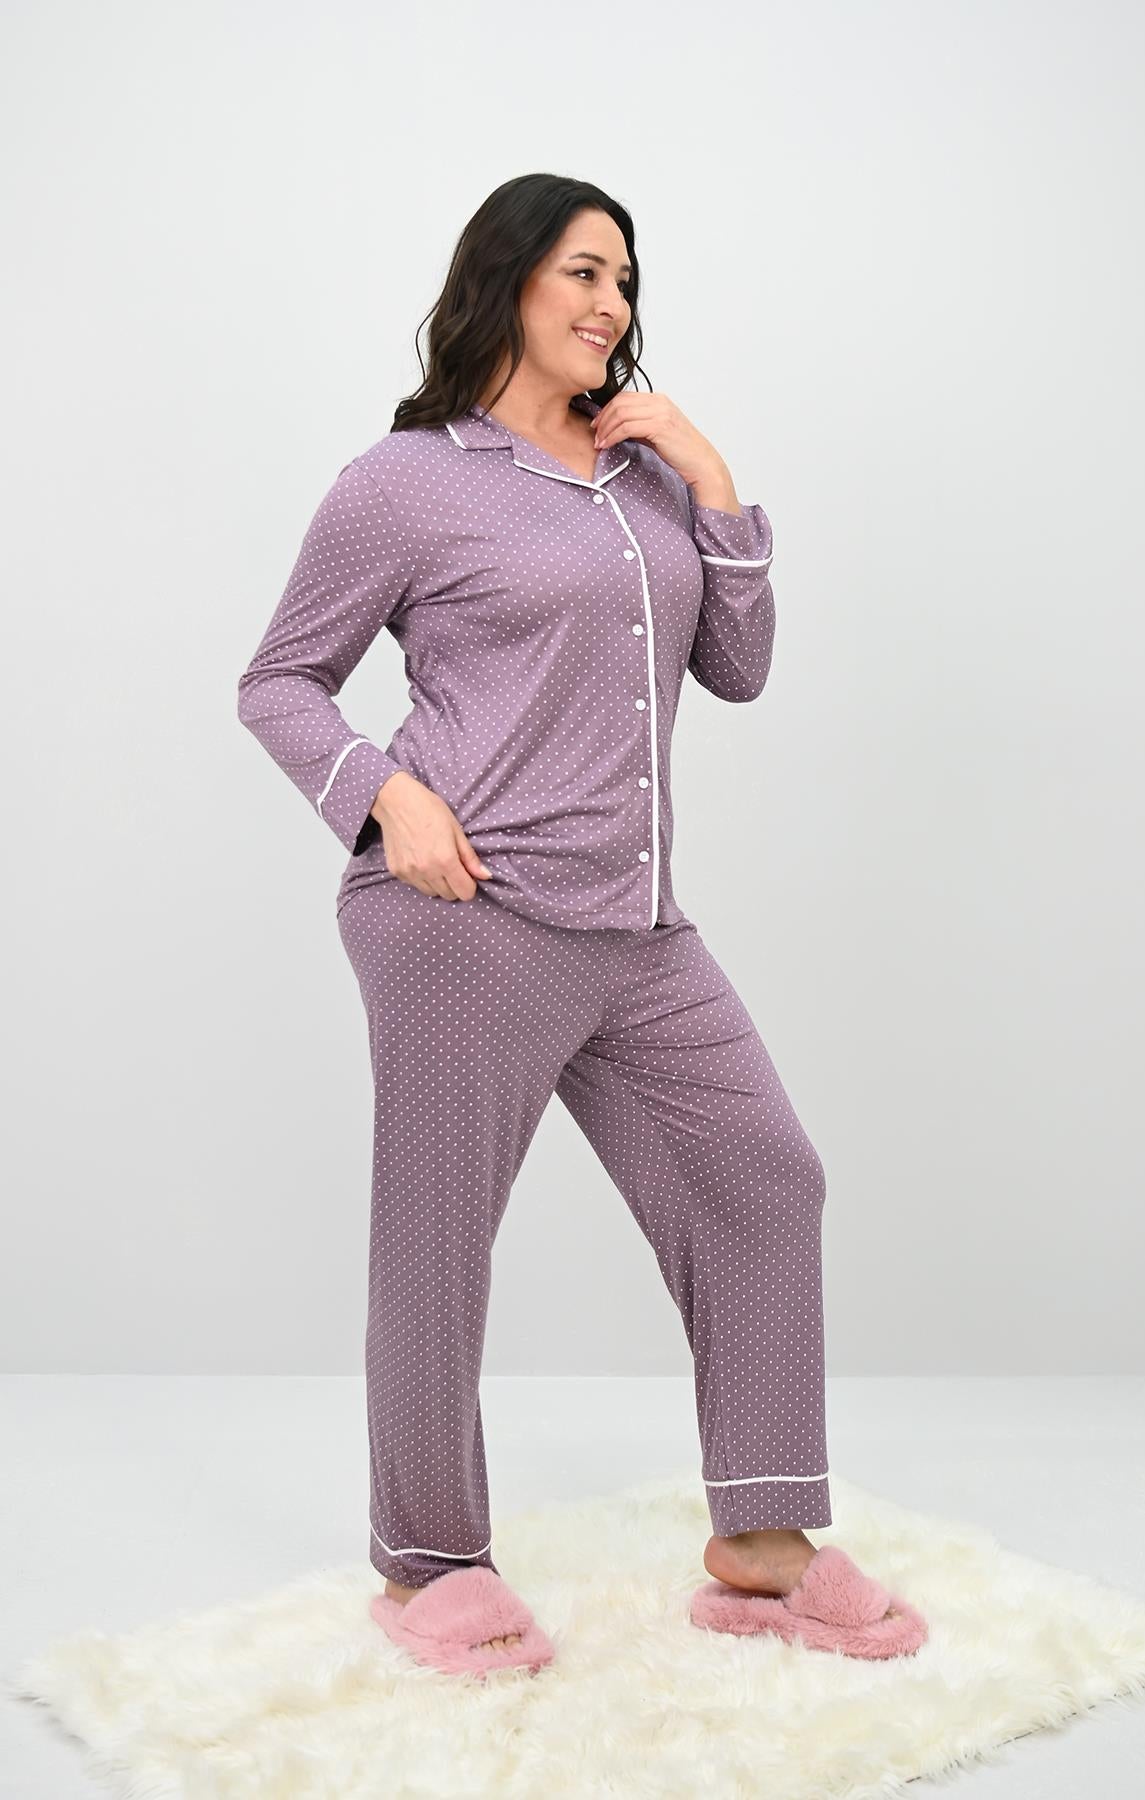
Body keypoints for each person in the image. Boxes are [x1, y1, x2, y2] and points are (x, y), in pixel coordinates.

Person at [237, 173, 857, 1664]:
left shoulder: (643, 477)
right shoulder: (405, 482)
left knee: (765, 1178)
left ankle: (762, 1538)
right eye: (583, 271)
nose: (609, 303)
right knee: (441, 1236)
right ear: (508, 281)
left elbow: (740, 669)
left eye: (625, 280)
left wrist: (712, 479)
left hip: (637, 922)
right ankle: (428, 1563)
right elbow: (280, 681)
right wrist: (386, 800)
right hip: (468, 912)